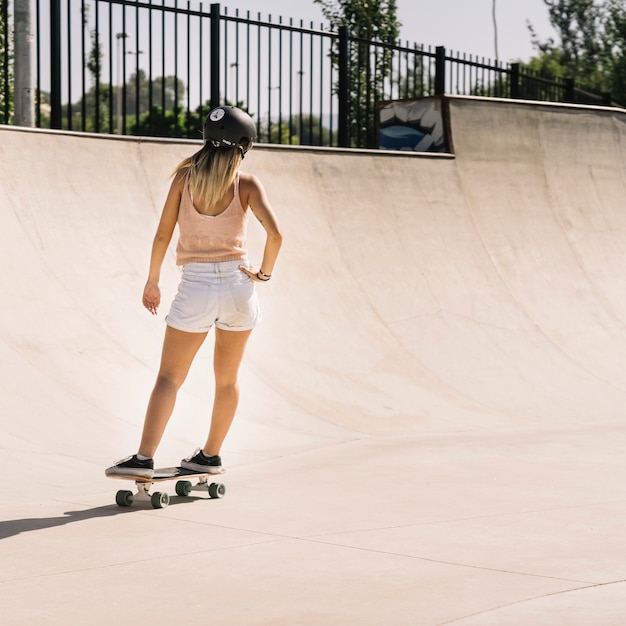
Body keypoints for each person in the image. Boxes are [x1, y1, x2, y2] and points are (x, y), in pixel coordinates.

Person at [106, 106, 282, 480]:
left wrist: (152, 280)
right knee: (228, 380)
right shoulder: (246, 183)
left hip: (196, 286)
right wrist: (263, 274)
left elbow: (162, 234)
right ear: (245, 144)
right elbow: (277, 235)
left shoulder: (184, 179)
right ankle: (211, 455)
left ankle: (143, 459)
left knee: (169, 378)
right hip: (239, 287)